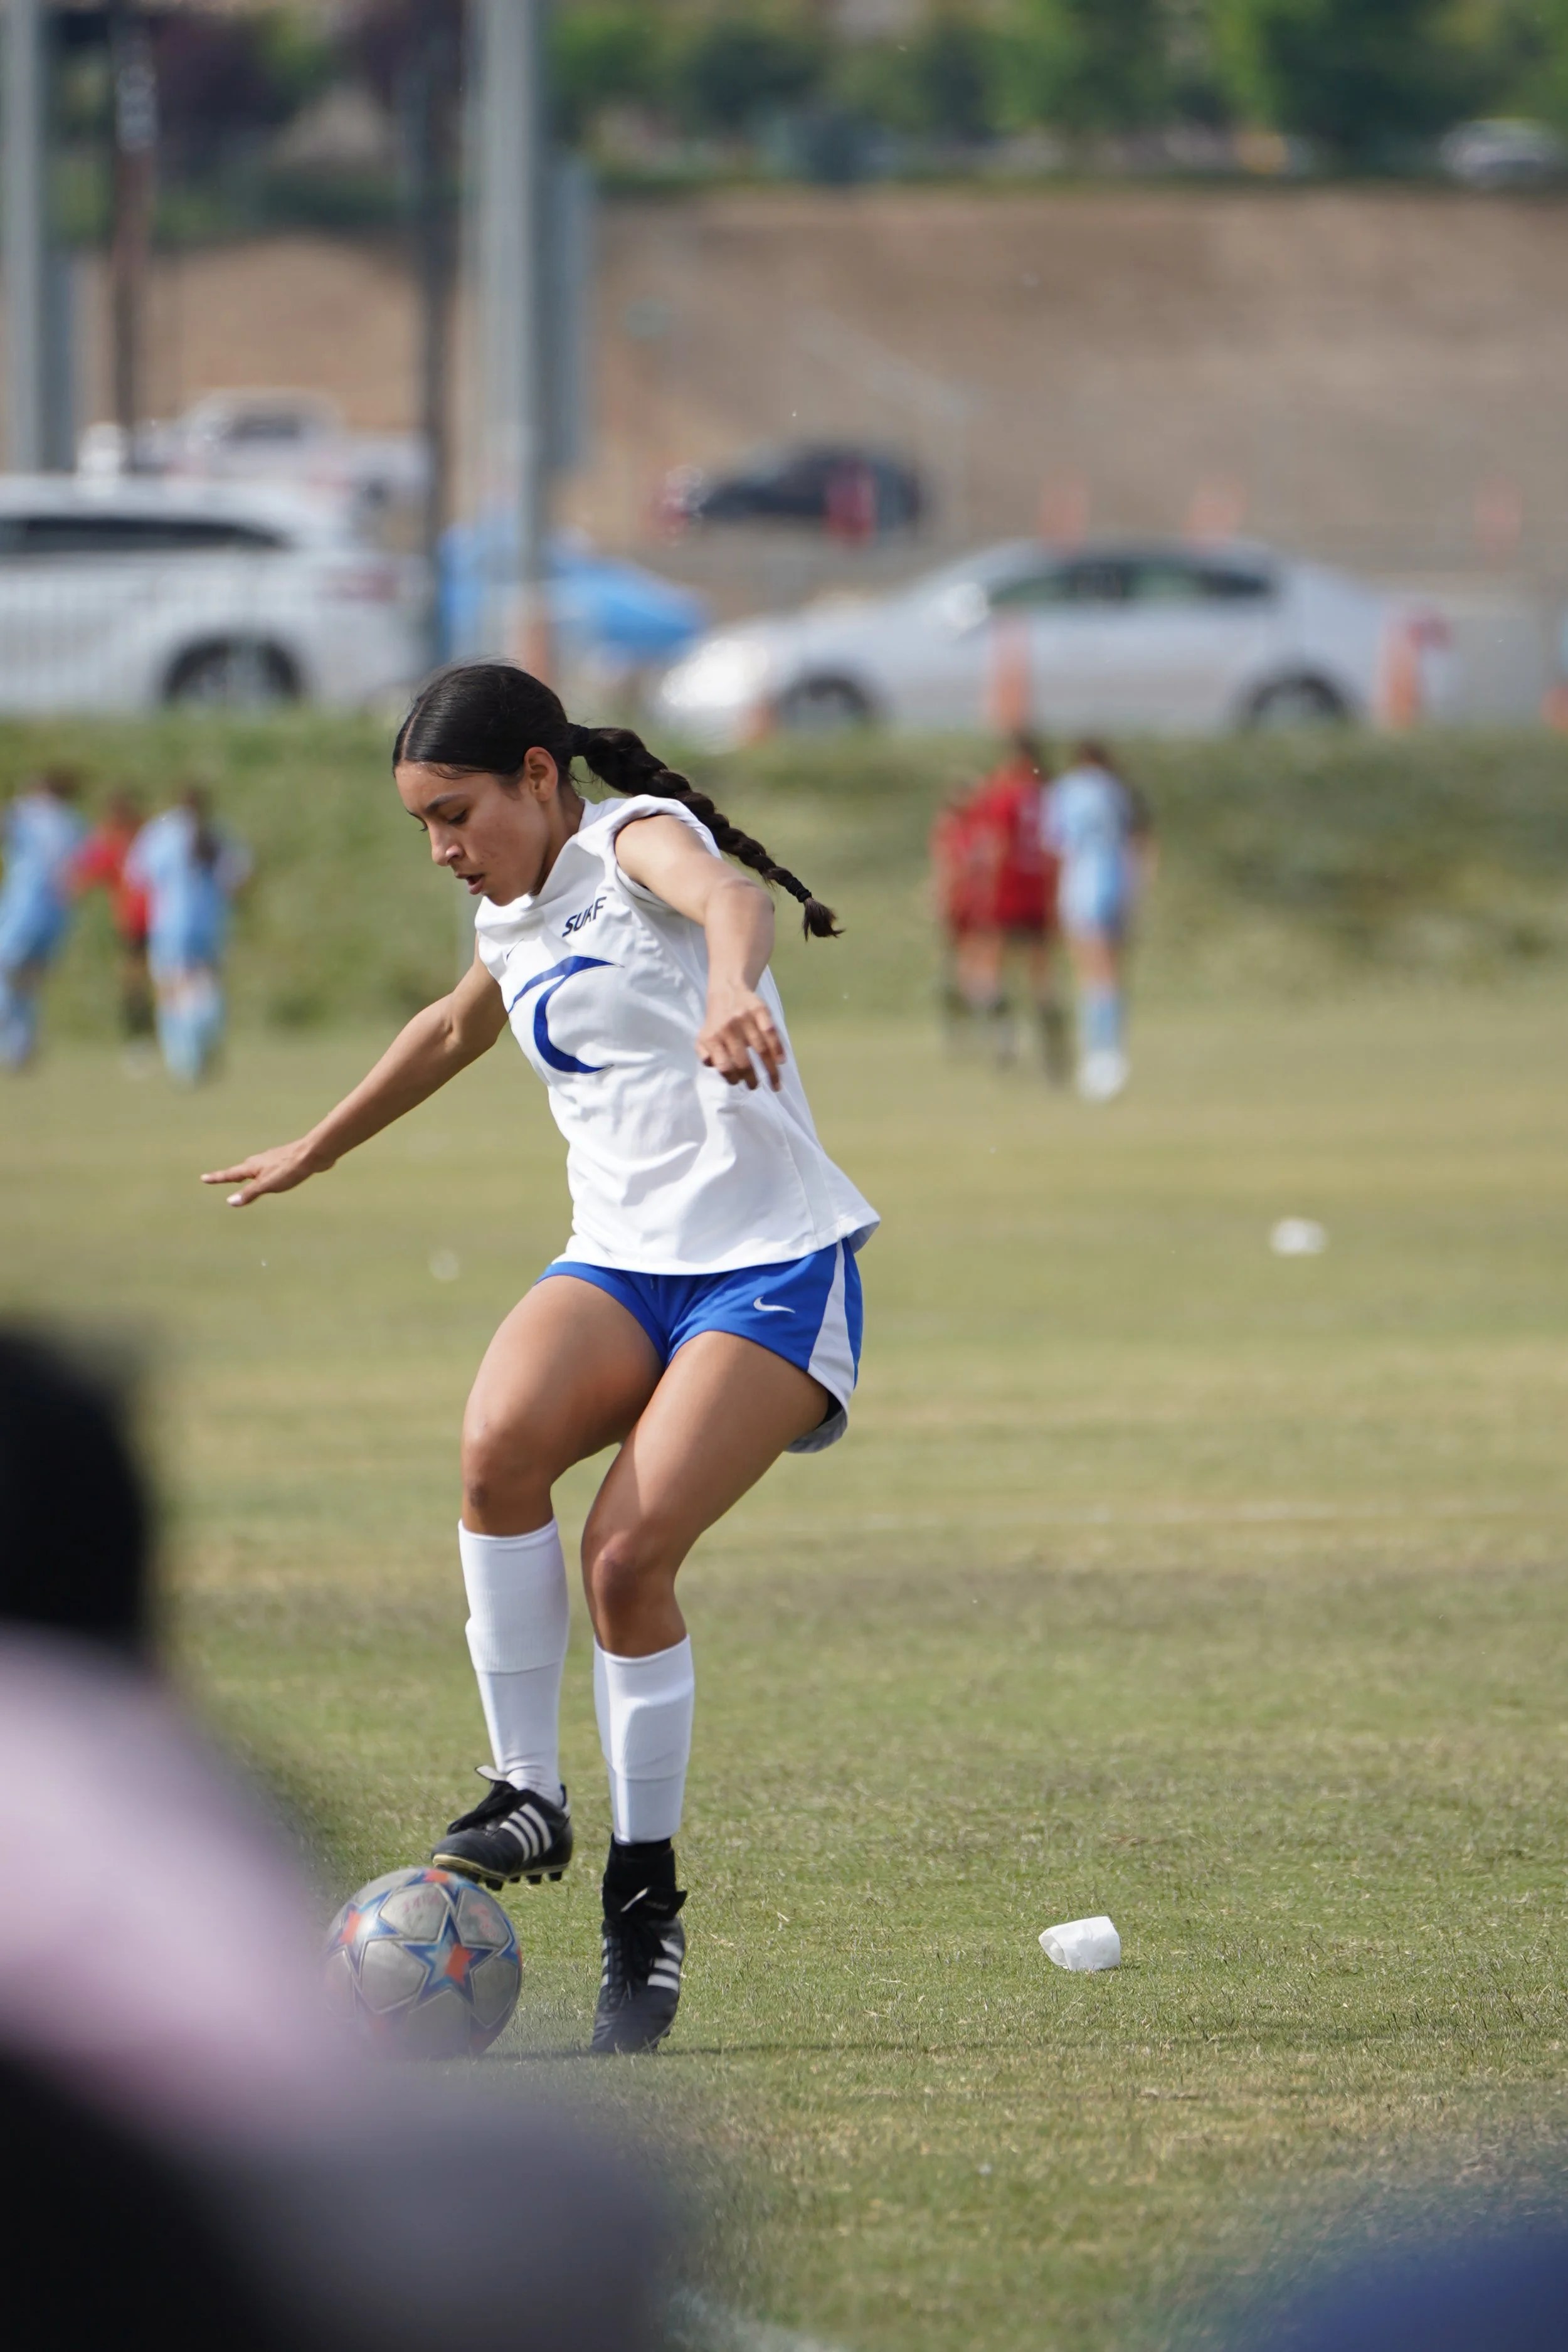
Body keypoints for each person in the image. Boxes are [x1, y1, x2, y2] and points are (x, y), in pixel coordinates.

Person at [201, 661, 879, 2056]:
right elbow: (456, 1025)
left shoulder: (631, 840)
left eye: (454, 815)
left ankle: (644, 1895)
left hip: (767, 1265)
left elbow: (732, 901)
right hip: (622, 1262)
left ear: (535, 775)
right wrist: (316, 1147)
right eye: (422, 828)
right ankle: (528, 1794)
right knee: (495, 1449)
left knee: (625, 1561)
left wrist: (730, 988)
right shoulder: (510, 915)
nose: (443, 850)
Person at [1042, 739, 1154, 1102]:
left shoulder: (1066, 791)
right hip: (1118, 884)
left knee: (1091, 974)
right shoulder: (1119, 791)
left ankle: (1101, 1056)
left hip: (1082, 886)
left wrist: (1051, 897)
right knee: (1113, 973)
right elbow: (1140, 842)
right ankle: (1112, 1051)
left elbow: (1057, 845)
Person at [959, 731, 1068, 1078]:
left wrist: (985, 891)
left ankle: (1004, 1037)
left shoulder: (1006, 798)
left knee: (993, 963)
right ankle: (1052, 1045)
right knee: (1041, 972)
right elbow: (1059, 849)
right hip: (1041, 891)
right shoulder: (1050, 797)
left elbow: (999, 846)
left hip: (1009, 889)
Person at [127, 785, 252, 1083]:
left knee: (174, 991)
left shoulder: (163, 832)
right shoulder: (217, 833)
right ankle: (200, 1047)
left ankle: (186, 1059)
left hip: (172, 926)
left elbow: (137, 875)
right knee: (203, 987)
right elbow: (239, 876)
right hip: (206, 925)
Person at [0, 770, 85, 1071]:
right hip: (56, 913)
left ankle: (11, 1040)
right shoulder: (73, 821)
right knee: (29, 981)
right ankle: (20, 1047)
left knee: (6, 973)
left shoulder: (26, 813)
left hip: (24, 907)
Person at [70, 788, 153, 1047]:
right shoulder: (134, 834)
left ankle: (147, 1034)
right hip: (137, 920)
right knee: (137, 980)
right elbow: (87, 871)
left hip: (147, 917)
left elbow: (83, 874)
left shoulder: (131, 836)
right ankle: (142, 1034)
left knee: (145, 980)